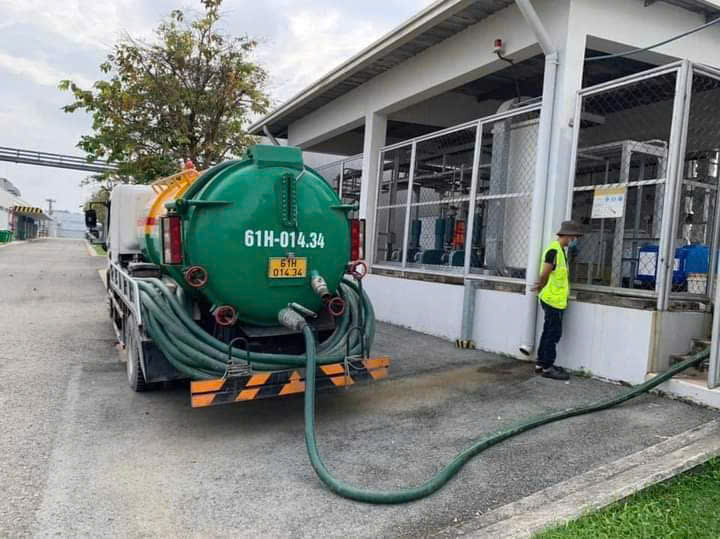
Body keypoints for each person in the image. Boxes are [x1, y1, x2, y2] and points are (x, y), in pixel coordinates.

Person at [531, 220, 583, 381]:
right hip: (552, 300)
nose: (574, 240)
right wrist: (541, 285)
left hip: (554, 299)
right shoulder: (554, 251)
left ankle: (541, 364)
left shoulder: (560, 251)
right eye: (574, 237)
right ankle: (548, 367)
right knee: (553, 334)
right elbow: (545, 271)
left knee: (548, 331)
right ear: (568, 235)